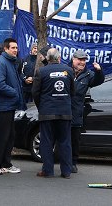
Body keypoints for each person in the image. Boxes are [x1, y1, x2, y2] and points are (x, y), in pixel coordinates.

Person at [32, 48, 74, 179]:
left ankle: (48, 170)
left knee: (47, 142)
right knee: (65, 142)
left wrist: (41, 107)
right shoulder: (69, 71)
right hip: (65, 112)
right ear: (59, 57)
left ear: (48, 58)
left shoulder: (41, 71)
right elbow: (73, 92)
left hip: (47, 112)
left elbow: (35, 93)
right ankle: (66, 171)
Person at [0, 38, 25, 175]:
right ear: (6, 49)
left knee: (9, 135)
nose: (16, 50)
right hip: (4, 105)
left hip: (10, 105)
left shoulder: (11, 62)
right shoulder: (1, 63)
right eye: (13, 48)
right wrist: (15, 92)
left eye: (16, 48)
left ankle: (5, 163)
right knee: (2, 136)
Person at [70, 50, 105, 173]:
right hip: (62, 111)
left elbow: (98, 81)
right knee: (61, 138)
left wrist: (99, 71)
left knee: (74, 140)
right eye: (80, 59)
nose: (82, 62)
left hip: (76, 113)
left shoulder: (88, 74)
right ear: (73, 59)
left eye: (84, 60)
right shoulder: (65, 71)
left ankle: (73, 163)